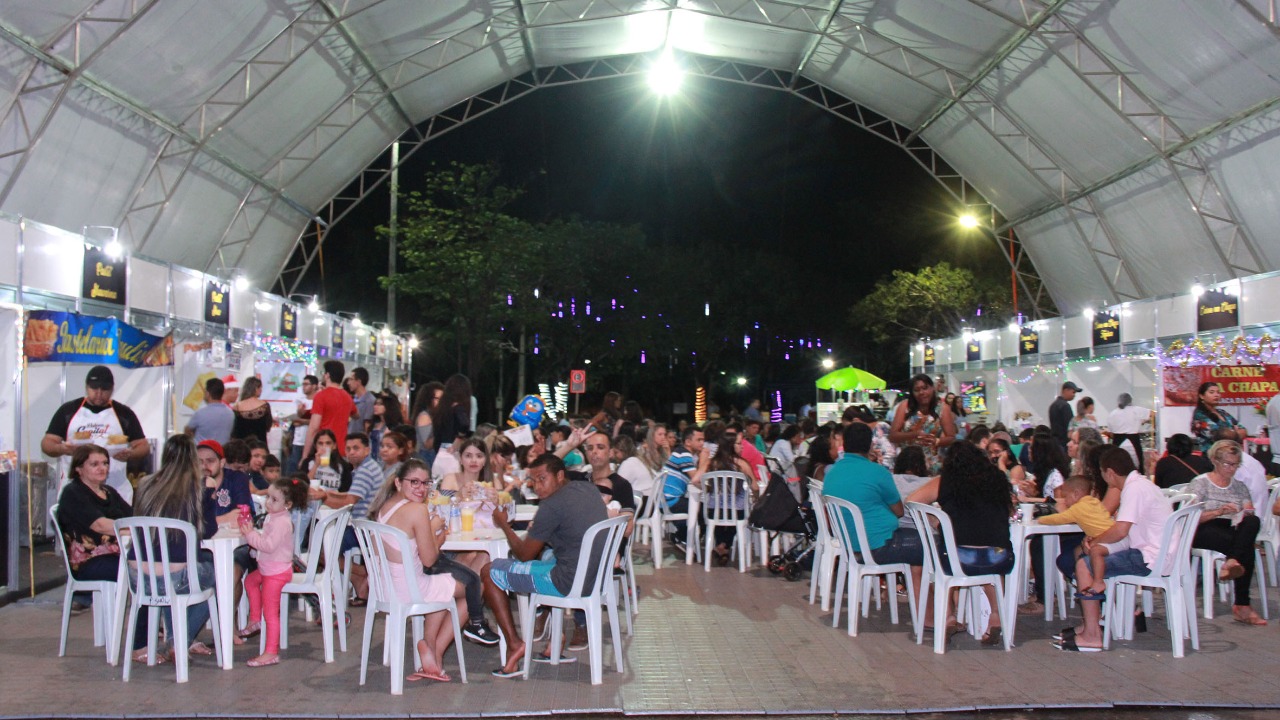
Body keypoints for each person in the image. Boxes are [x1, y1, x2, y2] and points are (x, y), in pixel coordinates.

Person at [482, 454, 608, 677]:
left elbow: (523, 555)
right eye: (533, 481)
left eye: (542, 479)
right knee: (548, 555)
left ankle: (514, 644)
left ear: (559, 475)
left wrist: (504, 525)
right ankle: (555, 639)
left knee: (489, 570)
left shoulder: (551, 505)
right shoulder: (587, 489)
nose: (537, 486)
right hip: (596, 578)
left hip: (566, 583)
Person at [1055, 447, 1170, 652]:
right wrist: (1098, 542)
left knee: (1085, 565)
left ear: (1109, 473)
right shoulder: (1141, 484)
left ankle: (1092, 635)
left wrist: (1095, 541)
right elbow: (1121, 528)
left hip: (1150, 557)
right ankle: (1091, 625)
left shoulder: (1134, 489)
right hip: (1156, 551)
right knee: (1089, 554)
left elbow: (1120, 530)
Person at [367, 460, 470, 682]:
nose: (421, 488)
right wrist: (435, 531)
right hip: (409, 590)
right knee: (471, 590)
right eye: (414, 482)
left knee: (444, 583)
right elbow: (430, 559)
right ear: (397, 482)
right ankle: (435, 651)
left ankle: (430, 649)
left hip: (384, 587)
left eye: (425, 483)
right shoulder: (416, 509)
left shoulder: (384, 508)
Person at [906, 441, 1015, 646]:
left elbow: (912, 501)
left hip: (958, 558)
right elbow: (1008, 511)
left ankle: (948, 617)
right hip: (1000, 557)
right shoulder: (998, 479)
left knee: (943, 565)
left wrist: (938, 521)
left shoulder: (945, 481)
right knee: (987, 563)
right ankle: (995, 613)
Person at [129, 434, 220, 662]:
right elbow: (207, 531)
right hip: (177, 577)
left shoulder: (145, 484)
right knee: (221, 577)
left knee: (177, 570)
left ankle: (168, 641)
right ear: (193, 458)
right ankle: (178, 641)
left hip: (138, 576)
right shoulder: (201, 485)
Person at [824, 423, 925, 615]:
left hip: (848, 545)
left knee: (915, 545)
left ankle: (913, 604)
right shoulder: (877, 472)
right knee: (929, 546)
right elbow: (898, 511)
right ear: (870, 445)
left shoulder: (832, 473)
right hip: (877, 547)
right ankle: (928, 616)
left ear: (844, 444)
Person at [42, 365, 150, 503]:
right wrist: (62, 448)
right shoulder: (68, 411)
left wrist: (130, 454)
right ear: (87, 387)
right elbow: (47, 443)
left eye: (104, 389)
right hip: (75, 489)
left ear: (112, 389)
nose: (99, 393)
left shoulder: (124, 414)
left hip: (114, 488)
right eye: (94, 388)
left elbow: (143, 446)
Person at [1187, 440, 1266, 625]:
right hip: (1204, 527)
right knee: (1244, 546)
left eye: (1236, 465)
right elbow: (1189, 518)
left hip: (1231, 528)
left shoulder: (1239, 486)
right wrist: (1218, 511)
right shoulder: (1201, 484)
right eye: (1228, 464)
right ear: (1214, 460)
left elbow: (1248, 510)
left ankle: (1232, 561)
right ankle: (1242, 605)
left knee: (1252, 522)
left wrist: (1242, 512)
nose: (1232, 469)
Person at [235, 475, 309, 667]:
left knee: (271, 613)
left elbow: (268, 545)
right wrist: (255, 542)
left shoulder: (281, 522)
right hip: (270, 567)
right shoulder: (273, 516)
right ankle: (254, 619)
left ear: (288, 504)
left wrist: (251, 535)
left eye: (274, 500)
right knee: (250, 581)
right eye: (268, 497)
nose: (268, 502)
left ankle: (271, 652)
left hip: (276, 573)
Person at [56, 445, 131, 615]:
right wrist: (136, 531)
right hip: (89, 562)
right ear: (79, 468)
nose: (102, 468)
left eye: (105, 463)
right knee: (146, 569)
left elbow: (133, 517)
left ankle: (151, 627)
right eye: (94, 464)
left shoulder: (109, 492)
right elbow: (100, 526)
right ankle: (146, 631)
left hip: (116, 555)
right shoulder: (73, 492)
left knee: (156, 565)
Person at [1036, 476, 1115, 600]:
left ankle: (1093, 581)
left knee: (1090, 556)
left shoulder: (1077, 509)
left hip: (1103, 542)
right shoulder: (1096, 503)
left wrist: (1040, 519)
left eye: (1065, 497)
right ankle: (1085, 583)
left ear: (1076, 494)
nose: (1065, 502)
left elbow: (1058, 519)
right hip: (1112, 536)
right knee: (1078, 551)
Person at [690, 425, 755, 567]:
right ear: (731, 446)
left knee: (718, 516)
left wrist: (707, 489)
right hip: (737, 511)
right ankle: (724, 547)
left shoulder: (711, 463)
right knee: (735, 515)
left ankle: (721, 546)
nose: (742, 447)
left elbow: (695, 480)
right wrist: (755, 495)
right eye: (739, 444)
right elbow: (754, 486)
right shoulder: (742, 464)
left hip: (713, 510)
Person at [888, 374, 957, 475]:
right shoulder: (905, 406)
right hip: (907, 464)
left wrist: (937, 441)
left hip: (931, 464)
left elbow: (951, 438)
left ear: (932, 388)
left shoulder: (943, 408)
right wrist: (914, 434)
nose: (922, 392)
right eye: (917, 390)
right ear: (912, 393)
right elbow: (892, 436)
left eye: (925, 388)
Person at [304, 360, 356, 460]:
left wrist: (305, 456)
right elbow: (356, 415)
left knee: (323, 475)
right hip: (342, 449)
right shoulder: (347, 397)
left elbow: (313, 428)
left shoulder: (321, 396)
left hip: (325, 450)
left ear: (327, 375)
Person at [1191, 381, 1245, 452]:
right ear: (1202, 396)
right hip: (1213, 455)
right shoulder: (1200, 415)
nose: (1216, 395)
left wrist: (1231, 433)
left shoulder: (1222, 412)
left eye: (1218, 392)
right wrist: (1234, 432)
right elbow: (1219, 436)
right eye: (1212, 392)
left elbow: (1243, 429)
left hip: (1231, 453)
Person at [1108, 393, 1153, 473]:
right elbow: (1153, 414)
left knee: (1118, 469)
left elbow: (1111, 433)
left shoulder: (1113, 413)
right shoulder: (1136, 410)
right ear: (1130, 401)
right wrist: (1142, 421)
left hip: (1118, 443)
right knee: (1136, 469)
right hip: (1133, 443)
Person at [284, 374, 319, 475]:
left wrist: (303, 421)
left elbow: (317, 422)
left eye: (306, 384)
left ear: (314, 386)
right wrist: (300, 415)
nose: (304, 386)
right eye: (303, 384)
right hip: (298, 440)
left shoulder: (318, 401)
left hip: (312, 440)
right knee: (292, 469)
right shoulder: (299, 401)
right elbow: (295, 422)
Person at [430, 374, 472, 454]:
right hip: (451, 451)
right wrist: (459, 438)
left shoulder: (443, 408)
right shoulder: (458, 408)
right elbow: (464, 424)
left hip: (439, 450)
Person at [185, 377, 234, 445]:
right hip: (222, 452)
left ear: (208, 393)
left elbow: (187, 430)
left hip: (202, 452)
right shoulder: (230, 413)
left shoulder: (200, 413)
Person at [410, 380, 444, 465]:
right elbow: (427, 445)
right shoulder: (424, 416)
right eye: (437, 398)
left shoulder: (435, 415)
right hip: (425, 458)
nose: (440, 402)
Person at [230, 377, 273, 443]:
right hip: (260, 445)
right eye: (260, 388)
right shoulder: (265, 406)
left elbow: (234, 430)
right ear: (256, 388)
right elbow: (268, 427)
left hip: (242, 446)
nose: (261, 390)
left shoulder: (237, 407)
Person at [1048, 381, 1082, 453]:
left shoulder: (1053, 405)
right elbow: (1070, 426)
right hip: (1064, 443)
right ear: (1066, 390)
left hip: (1055, 443)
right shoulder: (1065, 406)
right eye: (1073, 392)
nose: (1074, 395)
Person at [346, 367, 374, 436]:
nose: (348, 383)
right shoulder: (352, 399)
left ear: (359, 381)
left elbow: (367, 426)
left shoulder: (369, 401)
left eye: (351, 379)